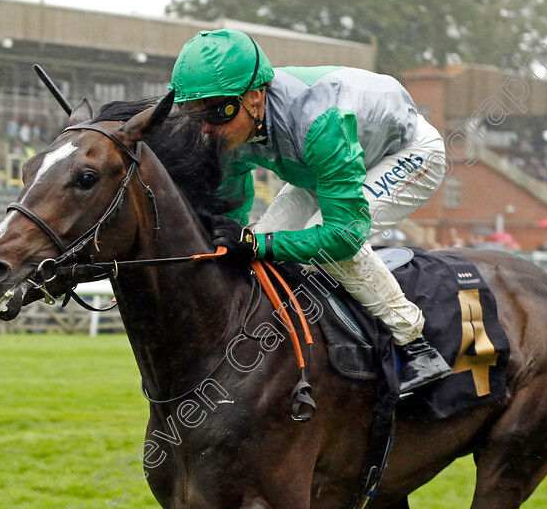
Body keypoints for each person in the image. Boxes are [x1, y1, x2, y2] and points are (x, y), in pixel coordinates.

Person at [168, 28, 452, 393]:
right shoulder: (230, 125)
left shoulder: (321, 123)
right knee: (259, 240)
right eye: (194, 115)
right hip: (320, 164)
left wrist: (256, 244)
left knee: (321, 242)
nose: (206, 129)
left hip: (410, 154)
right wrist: (225, 247)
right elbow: (233, 205)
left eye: (218, 113)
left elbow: (342, 236)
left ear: (255, 97)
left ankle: (416, 344)